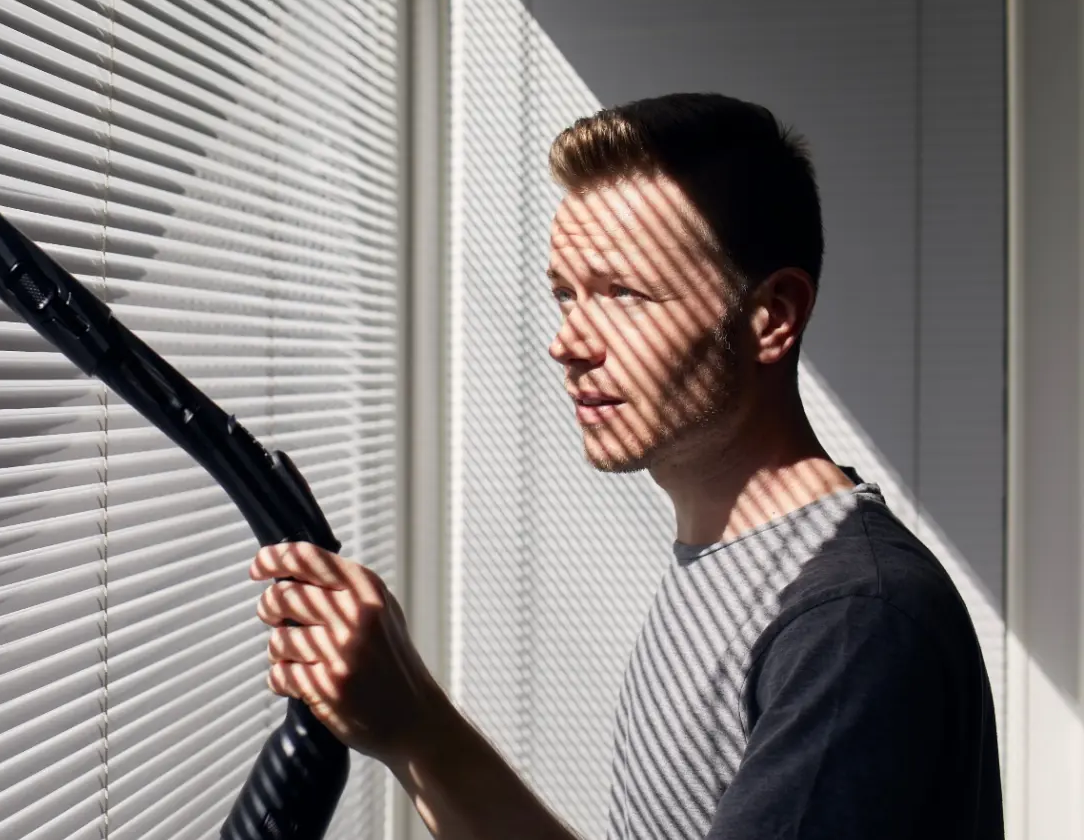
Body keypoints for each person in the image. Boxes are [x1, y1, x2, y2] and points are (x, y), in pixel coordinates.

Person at [249, 93, 1003, 839]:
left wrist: (419, 726)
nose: (568, 343)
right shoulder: (728, 567)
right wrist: (412, 726)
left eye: (622, 294)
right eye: (565, 295)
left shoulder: (846, 624)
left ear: (770, 315)